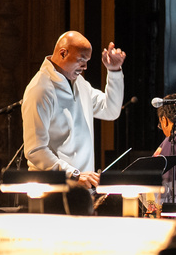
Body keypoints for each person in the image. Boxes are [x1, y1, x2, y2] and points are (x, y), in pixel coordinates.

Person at [22, 31, 126, 189]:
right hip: (53, 190)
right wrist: (73, 174)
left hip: (81, 189)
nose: (84, 67)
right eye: (81, 60)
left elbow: (110, 110)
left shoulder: (79, 83)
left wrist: (114, 71)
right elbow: (35, 150)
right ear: (63, 53)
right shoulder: (40, 89)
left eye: (87, 61)